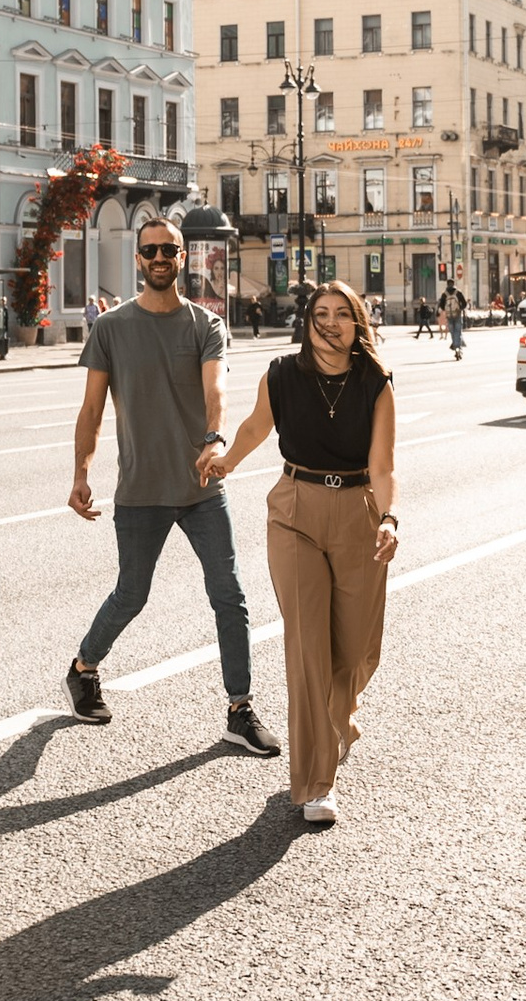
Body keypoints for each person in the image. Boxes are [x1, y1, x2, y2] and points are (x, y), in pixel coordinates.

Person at [63, 212, 279, 760]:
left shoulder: (205, 325)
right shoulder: (110, 328)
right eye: (151, 250)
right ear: (139, 259)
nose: (161, 258)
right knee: (131, 595)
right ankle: (84, 667)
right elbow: (90, 409)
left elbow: (218, 390)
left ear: (183, 259)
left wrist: (214, 439)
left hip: (202, 485)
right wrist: (81, 474)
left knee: (230, 596)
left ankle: (240, 708)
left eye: (170, 251)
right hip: (139, 489)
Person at [209, 280, 397, 826]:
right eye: (322, 312)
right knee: (307, 647)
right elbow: (253, 427)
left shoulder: (376, 383)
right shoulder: (282, 375)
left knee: (359, 649)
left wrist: (388, 518)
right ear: (308, 319)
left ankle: (340, 716)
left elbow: (384, 467)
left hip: (359, 511)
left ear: (357, 322)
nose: (331, 322)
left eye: (343, 313)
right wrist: (224, 460)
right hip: (294, 512)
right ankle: (316, 782)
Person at [445, 286, 467, 358]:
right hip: (457, 315)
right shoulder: (458, 292)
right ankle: (458, 348)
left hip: (449, 316)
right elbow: (464, 304)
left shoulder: (445, 294)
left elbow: (442, 305)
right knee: (458, 332)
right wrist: (460, 309)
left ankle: (455, 347)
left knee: (452, 332)